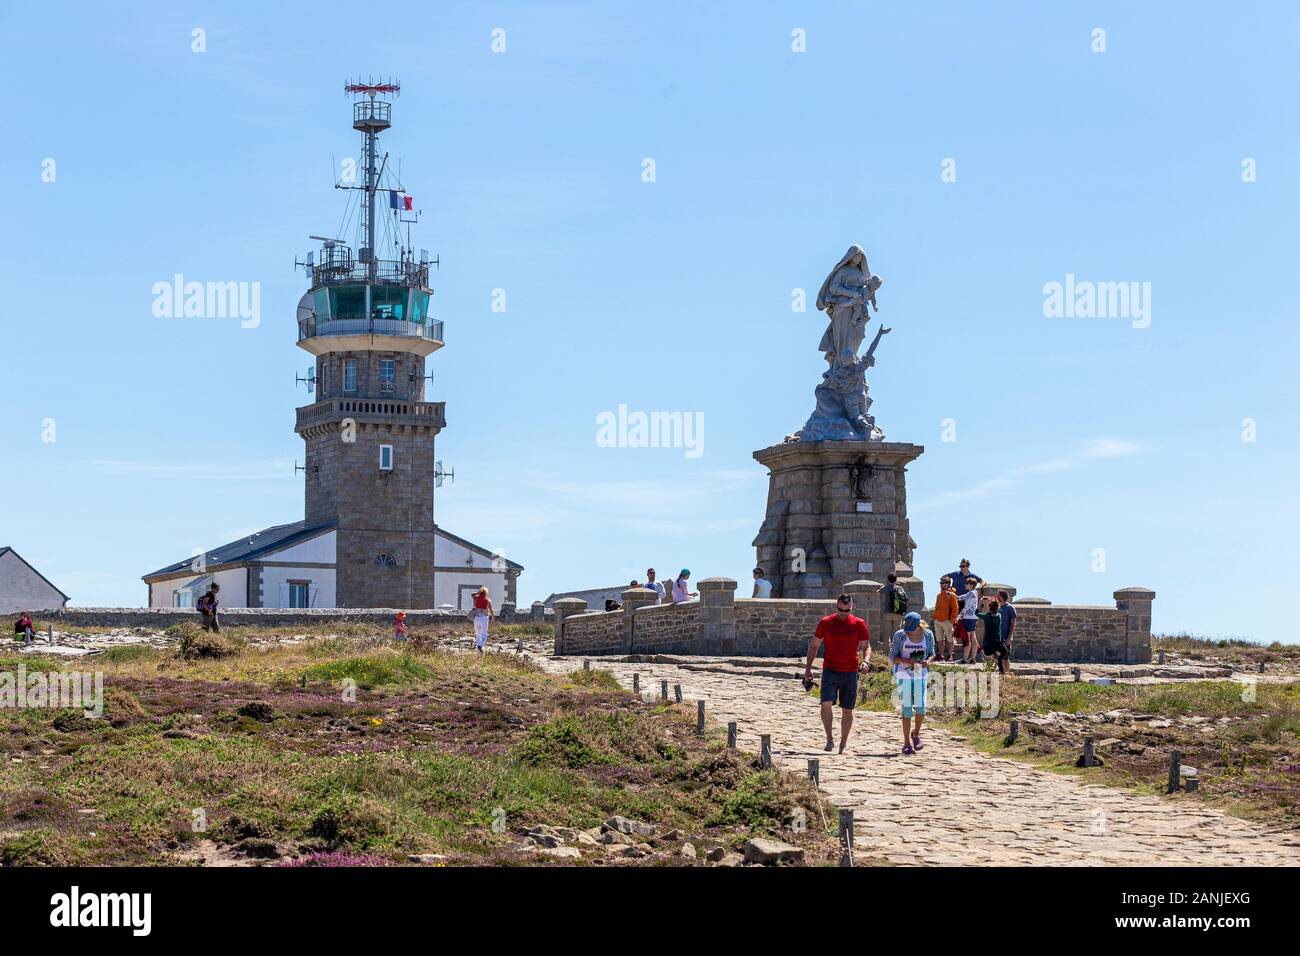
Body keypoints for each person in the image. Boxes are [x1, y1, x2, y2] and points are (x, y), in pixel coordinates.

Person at [803, 592, 871, 754]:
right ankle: (829, 739)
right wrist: (807, 669)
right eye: (840, 610)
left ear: (852, 607)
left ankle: (843, 743)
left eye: (846, 611)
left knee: (847, 710)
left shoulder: (858, 624)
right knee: (825, 704)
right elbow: (814, 645)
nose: (843, 613)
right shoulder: (826, 622)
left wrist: (866, 661)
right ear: (836, 606)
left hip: (850, 671)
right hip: (830, 670)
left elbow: (866, 646)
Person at [890, 612, 934, 755]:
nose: (908, 631)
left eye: (911, 629)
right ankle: (906, 743)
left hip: (920, 674)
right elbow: (892, 656)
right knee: (907, 709)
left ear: (919, 625)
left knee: (921, 708)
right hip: (903, 674)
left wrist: (928, 661)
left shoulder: (928, 635)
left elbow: (932, 653)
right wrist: (906, 661)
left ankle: (916, 734)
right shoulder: (900, 635)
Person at [977, 595, 1009, 674]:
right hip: (997, 641)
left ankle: (997, 668)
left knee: (991, 655)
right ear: (997, 608)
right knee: (1005, 653)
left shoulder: (986, 616)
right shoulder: (999, 616)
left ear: (989, 607)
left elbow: (976, 613)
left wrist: (981, 603)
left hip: (987, 642)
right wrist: (992, 601)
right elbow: (996, 612)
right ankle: (1000, 668)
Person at [932, 576, 959, 662]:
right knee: (940, 639)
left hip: (947, 621)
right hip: (938, 620)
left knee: (950, 639)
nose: (941, 585)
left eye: (943, 583)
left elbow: (955, 608)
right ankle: (941, 655)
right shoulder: (939, 594)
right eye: (940, 583)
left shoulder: (951, 594)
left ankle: (950, 655)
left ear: (947, 583)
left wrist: (951, 621)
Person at [957, 585, 981, 663]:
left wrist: (959, 616)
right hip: (973, 617)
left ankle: (964, 659)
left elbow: (966, 607)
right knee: (973, 637)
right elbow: (959, 597)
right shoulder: (973, 593)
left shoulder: (971, 594)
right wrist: (952, 594)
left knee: (967, 638)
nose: (965, 585)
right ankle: (973, 659)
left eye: (967, 583)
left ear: (971, 585)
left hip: (969, 617)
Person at [881, 573, 907, 641]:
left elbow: (877, 591)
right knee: (897, 633)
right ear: (896, 580)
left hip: (887, 613)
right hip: (897, 613)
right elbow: (905, 597)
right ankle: (897, 650)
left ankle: (886, 650)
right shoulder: (899, 588)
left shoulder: (886, 588)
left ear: (888, 580)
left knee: (887, 633)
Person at [996, 589, 1017, 672]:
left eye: (997, 595)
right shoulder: (997, 607)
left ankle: (1006, 674)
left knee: (1005, 657)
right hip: (997, 637)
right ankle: (1000, 673)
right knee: (997, 656)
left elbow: (1013, 624)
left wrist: (1009, 637)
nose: (995, 596)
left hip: (1006, 637)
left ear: (1001, 597)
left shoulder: (1010, 608)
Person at [471, 586, 495, 653]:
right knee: (484, 634)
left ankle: (478, 648)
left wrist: (478, 592)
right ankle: (481, 646)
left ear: (480, 592)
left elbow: (472, 594)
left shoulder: (475, 598)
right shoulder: (488, 600)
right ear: (486, 593)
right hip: (484, 618)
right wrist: (493, 617)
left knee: (478, 634)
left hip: (476, 618)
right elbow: (491, 610)